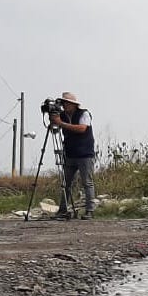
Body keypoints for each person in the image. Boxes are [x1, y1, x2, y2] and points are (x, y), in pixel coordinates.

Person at [50, 92, 96, 220]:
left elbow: (82, 129)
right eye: (63, 103)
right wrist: (54, 122)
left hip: (85, 154)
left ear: (73, 105)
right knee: (66, 183)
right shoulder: (62, 116)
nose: (64, 106)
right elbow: (55, 130)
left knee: (87, 182)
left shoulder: (84, 114)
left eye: (66, 103)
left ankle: (90, 211)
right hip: (70, 153)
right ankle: (63, 210)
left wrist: (61, 123)